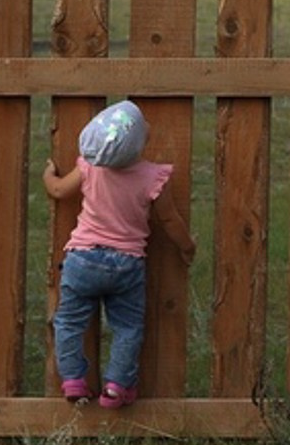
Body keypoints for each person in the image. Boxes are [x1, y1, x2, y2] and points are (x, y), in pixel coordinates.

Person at [43, 99, 195, 407]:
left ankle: (73, 379)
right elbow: (169, 219)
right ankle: (117, 386)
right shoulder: (153, 177)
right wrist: (187, 246)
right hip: (126, 263)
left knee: (69, 322)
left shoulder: (89, 167)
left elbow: (58, 190)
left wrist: (48, 173)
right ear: (140, 140)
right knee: (127, 326)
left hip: (82, 259)